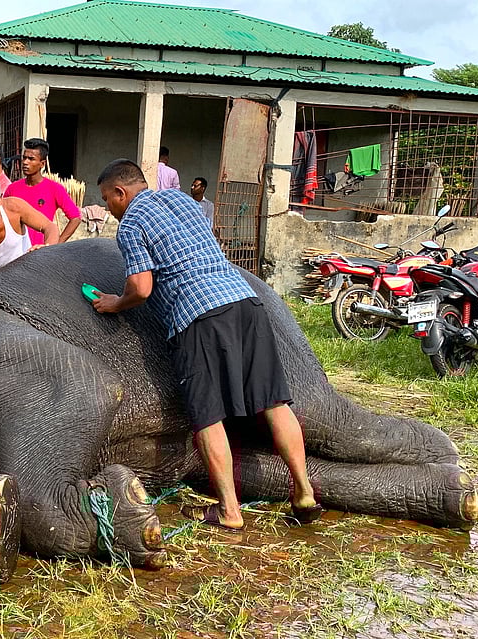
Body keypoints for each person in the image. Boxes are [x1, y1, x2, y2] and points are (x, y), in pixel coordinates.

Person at [91, 159, 320, 530]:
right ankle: (305, 492)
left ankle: (230, 511)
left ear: (120, 192)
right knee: (273, 402)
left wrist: (115, 303)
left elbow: (141, 288)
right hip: (244, 302)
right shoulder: (183, 199)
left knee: (207, 416)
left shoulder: (131, 222)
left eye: (107, 199)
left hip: (197, 315)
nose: (108, 208)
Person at [5, 138, 82, 244]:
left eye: (31, 159)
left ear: (42, 164)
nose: (25, 162)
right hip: (16, 249)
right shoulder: (12, 189)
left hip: (41, 250)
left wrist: (57, 244)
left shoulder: (54, 188)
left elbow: (75, 217)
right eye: (24, 158)